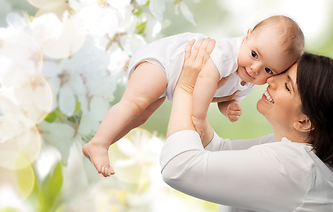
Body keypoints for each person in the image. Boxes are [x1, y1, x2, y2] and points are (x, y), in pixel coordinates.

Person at [160, 38, 333, 212]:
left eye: (287, 85)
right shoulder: (296, 154)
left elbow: (177, 167)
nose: (271, 79)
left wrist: (186, 86)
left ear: (304, 122)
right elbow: (216, 150)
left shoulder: (295, 168)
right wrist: (204, 93)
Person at [83, 15, 305, 177]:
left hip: (171, 83)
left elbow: (220, 95)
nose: (256, 68)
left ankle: (103, 142)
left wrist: (228, 106)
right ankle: (100, 143)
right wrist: (198, 118)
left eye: (268, 70)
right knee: (135, 103)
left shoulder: (246, 79)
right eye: (254, 54)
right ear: (246, 37)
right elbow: (206, 79)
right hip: (164, 62)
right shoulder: (226, 53)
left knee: (140, 117)